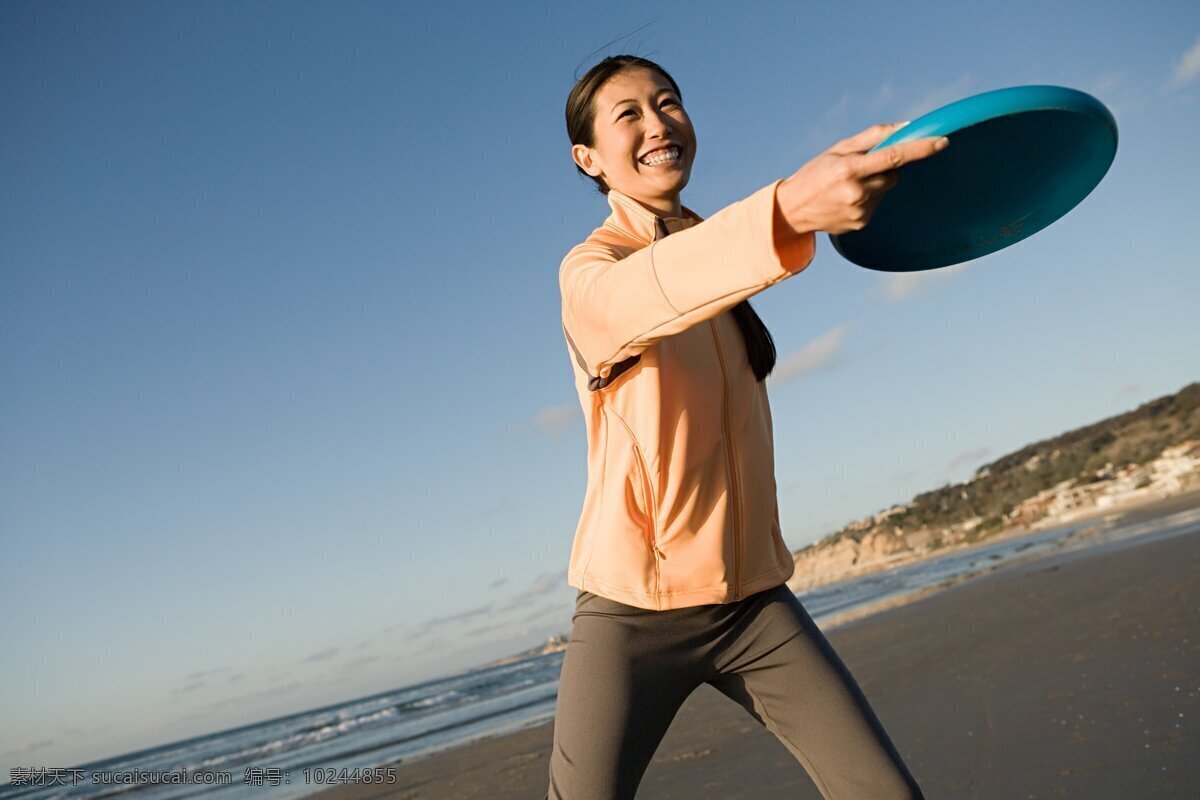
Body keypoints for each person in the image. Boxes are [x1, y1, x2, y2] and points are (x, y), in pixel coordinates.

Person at [548, 54, 947, 800]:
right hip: (633, 613)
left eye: (668, 102)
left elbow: (703, 262)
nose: (657, 122)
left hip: (754, 604)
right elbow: (654, 289)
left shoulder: (720, 255)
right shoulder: (591, 274)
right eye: (627, 113)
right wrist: (790, 209)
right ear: (588, 158)